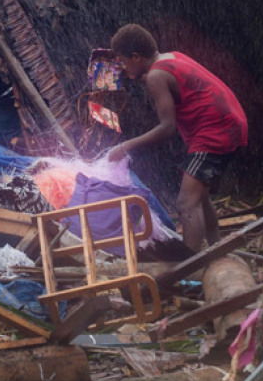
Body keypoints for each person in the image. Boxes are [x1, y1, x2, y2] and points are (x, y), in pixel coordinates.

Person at [106, 24, 247, 252]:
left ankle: (187, 267)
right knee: (200, 197)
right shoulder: (170, 58)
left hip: (215, 130)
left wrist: (125, 146)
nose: (122, 68)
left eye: (123, 61)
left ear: (136, 57)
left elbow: (167, 127)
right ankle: (216, 249)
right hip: (230, 121)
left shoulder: (156, 76)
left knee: (185, 203)